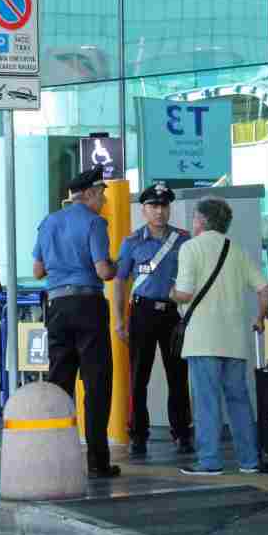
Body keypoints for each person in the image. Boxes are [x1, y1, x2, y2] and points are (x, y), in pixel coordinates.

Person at [170, 197, 268, 476]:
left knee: (207, 400)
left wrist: (171, 293)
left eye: (194, 219)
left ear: (201, 221)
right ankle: (249, 460)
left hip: (203, 339)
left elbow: (185, 293)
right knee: (238, 399)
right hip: (235, 339)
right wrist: (259, 317)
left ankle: (210, 461)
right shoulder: (236, 250)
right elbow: (264, 288)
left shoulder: (190, 248)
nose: (192, 224)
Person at [32, 165, 119, 478]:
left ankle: (55, 455)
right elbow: (102, 271)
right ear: (91, 194)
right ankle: (97, 461)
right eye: (103, 196)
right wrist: (119, 265)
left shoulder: (48, 222)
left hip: (56, 306)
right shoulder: (95, 222)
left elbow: (38, 271)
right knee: (97, 383)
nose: (105, 202)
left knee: (60, 380)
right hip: (87, 305)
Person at [114, 182, 193, 457]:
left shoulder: (184, 240)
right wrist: (120, 319)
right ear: (144, 209)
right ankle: (138, 434)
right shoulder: (132, 242)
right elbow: (120, 281)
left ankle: (182, 433)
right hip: (142, 313)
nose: (160, 211)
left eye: (164, 206)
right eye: (153, 206)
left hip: (173, 314)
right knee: (138, 378)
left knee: (178, 377)